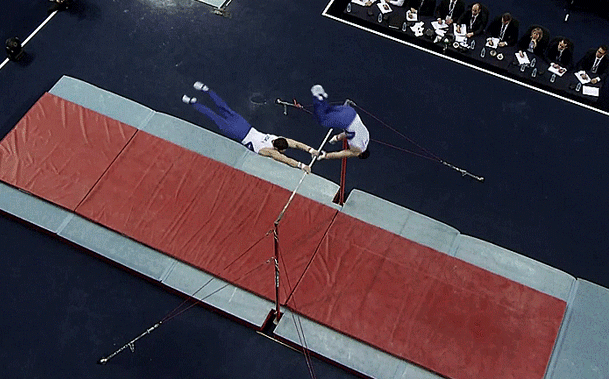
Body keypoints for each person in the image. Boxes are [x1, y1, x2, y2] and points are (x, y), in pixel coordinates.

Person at [182, 82, 314, 173]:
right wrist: (302, 166)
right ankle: (193, 102)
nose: (284, 151)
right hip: (237, 132)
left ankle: (206, 89)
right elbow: (286, 160)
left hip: (243, 124)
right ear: (276, 148)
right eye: (283, 150)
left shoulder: (278, 138)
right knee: (214, 116)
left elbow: (296, 144)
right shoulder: (269, 151)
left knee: (224, 108)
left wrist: (311, 150)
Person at [309, 85, 370, 160]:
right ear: (360, 155)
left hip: (352, 113)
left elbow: (350, 133)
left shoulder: (367, 136)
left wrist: (336, 138)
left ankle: (322, 100)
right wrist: (326, 155)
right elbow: (341, 154)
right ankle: (318, 97)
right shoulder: (357, 151)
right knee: (323, 120)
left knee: (329, 110)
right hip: (346, 121)